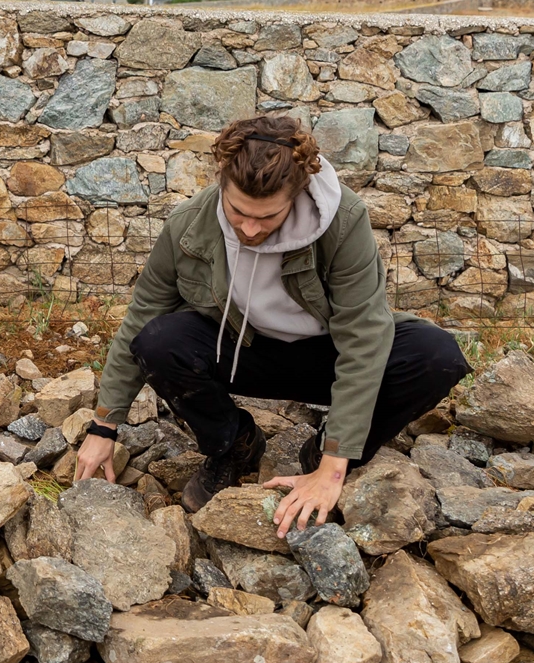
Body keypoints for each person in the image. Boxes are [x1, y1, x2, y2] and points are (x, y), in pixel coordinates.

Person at [75, 115, 470, 535]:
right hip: (246, 352)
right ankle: (234, 446)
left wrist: (333, 469)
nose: (249, 228)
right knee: (157, 341)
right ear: (221, 182)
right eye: (238, 211)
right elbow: (141, 315)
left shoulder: (344, 220)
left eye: (267, 218)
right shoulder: (188, 225)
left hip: (328, 357)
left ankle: (320, 456)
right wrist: (104, 425)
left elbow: (364, 337)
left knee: (436, 355)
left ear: (297, 194)